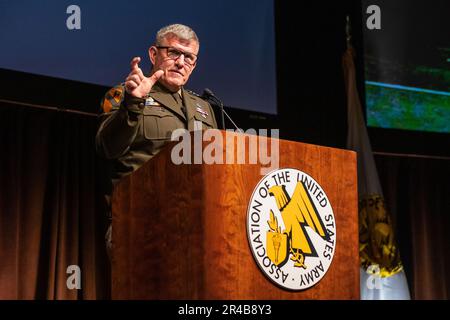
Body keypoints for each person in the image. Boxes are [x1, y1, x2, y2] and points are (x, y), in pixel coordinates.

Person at [95, 24, 218, 255]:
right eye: (173, 53)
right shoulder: (124, 95)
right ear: (154, 54)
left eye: (189, 57)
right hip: (140, 221)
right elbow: (106, 148)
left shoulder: (204, 108)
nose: (181, 62)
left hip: (196, 228)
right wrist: (132, 104)